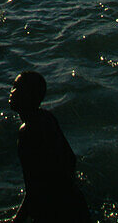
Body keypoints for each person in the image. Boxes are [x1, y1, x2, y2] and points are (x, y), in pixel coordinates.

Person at [9, 71, 90, 221]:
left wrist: (18, 219)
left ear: (30, 96)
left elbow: (33, 189)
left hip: (56, 212)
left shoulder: (28, 132)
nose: (12, 92)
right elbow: (70, 159)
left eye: (18, 88)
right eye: (13, 87)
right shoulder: (47, 118)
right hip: (74, 203)